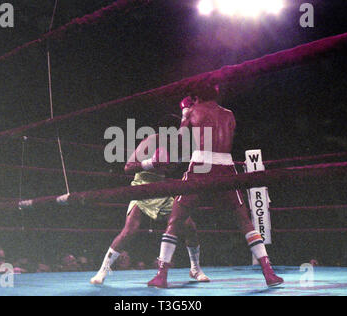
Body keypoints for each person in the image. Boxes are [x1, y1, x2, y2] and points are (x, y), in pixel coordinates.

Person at [147, 86, 284, 288]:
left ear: (196, 96)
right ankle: (268, 272)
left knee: (175, 220)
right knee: (244, 221)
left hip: (201, 166)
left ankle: (161, 275)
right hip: (226, 168)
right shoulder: (229, 114)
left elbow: (180, 140)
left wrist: (185, 115)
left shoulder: (193, 111)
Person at [90, 133, 209, 284]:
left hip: (160, 188)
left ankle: (195, 269)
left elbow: (168, 168)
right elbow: (128, 167)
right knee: (129, 231)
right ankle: (103, 271)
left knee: (189, 226)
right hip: (142, 187)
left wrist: (172, 163)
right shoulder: (151, 141)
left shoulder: (178, 147)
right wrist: (151, 163)